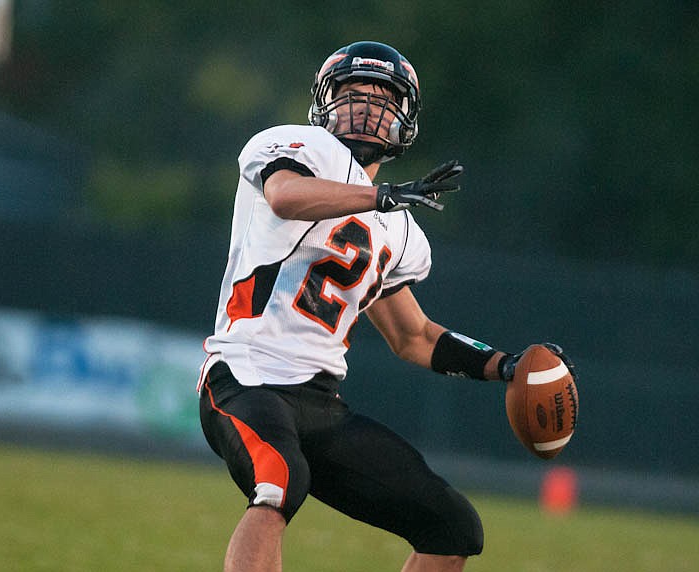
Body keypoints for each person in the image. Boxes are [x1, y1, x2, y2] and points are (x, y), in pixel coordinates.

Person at [197, 41, 575, 572]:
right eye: (353, 94)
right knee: (280, 482)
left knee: (452, 527)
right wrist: (382, 197)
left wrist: (506, 366)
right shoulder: (298, 146)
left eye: (383, 97)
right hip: (245, 376)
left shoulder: (400, 228)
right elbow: (285, 195)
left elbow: (413, 335)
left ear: (405, 121)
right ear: (324, 104)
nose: (367, 107)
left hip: (318, 400)